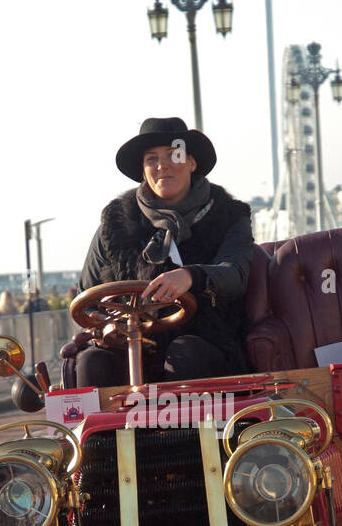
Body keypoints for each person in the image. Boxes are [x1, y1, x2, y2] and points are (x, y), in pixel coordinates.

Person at [76, 116, 254, 386]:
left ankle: (194, 430)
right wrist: (107, 326)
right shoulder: (115, 222)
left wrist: (190, 277)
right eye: (152, 158)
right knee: (91, 363)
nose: (163, 166)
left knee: (186, 353)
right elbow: (86, 295)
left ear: (193, 163)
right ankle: (103, 430)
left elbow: (236, 272)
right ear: (143, 169)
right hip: (130, 343)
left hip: (205, 340)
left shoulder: (229, 215)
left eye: (175, 155)